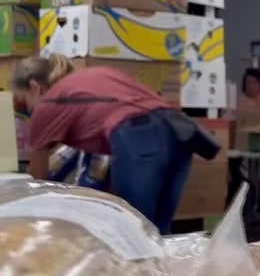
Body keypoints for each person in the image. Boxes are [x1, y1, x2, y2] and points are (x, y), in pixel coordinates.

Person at [15, 55, 208, 234]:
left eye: (25, 101)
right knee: (157, 232)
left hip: (139, 136)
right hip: (181, 133)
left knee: (134, 231)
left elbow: (37, 184)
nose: (30, 109)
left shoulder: (48, 104)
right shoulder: (92, 79)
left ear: (34, 87)